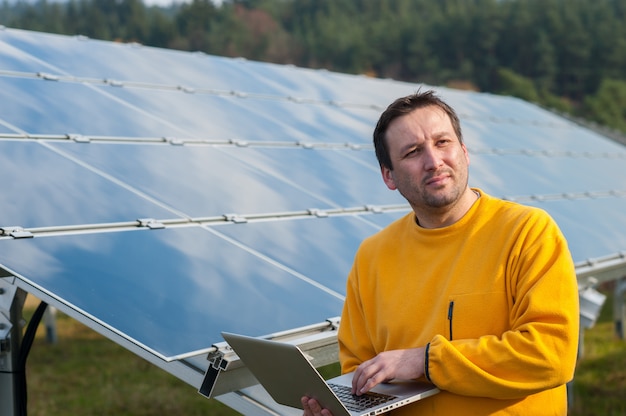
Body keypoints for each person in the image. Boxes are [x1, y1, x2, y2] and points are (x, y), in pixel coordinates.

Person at [302, 90, 579, 415]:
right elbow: (360, 372)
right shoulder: (372, 257)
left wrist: (424, 361)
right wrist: (343, 409)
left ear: (464, 151)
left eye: (442, 142)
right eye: (413, 152)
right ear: (388, 175)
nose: (434, 162)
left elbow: (551, 355)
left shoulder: (527, 231)